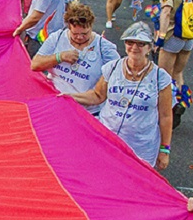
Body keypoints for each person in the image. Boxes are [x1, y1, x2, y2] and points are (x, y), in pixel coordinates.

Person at [72, 21, 174, 171]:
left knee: (135, 184)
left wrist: (165, 150)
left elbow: (165, 116)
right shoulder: (112, 67)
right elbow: (98, 95)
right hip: (108, 139)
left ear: (149, 47)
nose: (134, 47)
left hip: (141, 146)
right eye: (130, 42)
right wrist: (68, 97)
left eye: (141, 44)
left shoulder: (160, 77)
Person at [32, 1, 120, 115]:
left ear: (91, 26)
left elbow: (117, 77)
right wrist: (59, 57)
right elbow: (35, 65)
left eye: (84, 34)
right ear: (69, 26)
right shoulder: (57, 38)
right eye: (75, 34)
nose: (79, 37)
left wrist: (72, 97)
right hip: (56, 104)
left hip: (87, 110)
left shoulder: (105, 48)